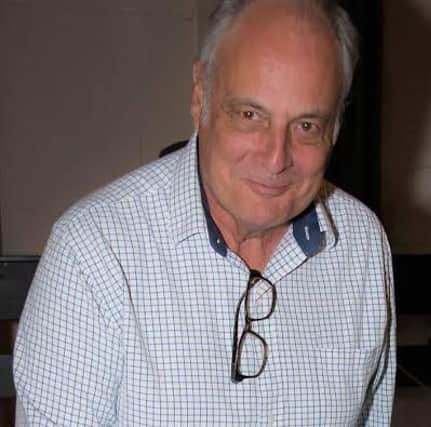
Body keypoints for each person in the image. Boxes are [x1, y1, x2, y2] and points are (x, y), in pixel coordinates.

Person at [13, 0, 396, 424]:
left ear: (336, 126)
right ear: (201, 97)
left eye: (307, 126)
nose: (276, 159)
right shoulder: (93, 252)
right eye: (250, 115)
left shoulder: (361, 243)